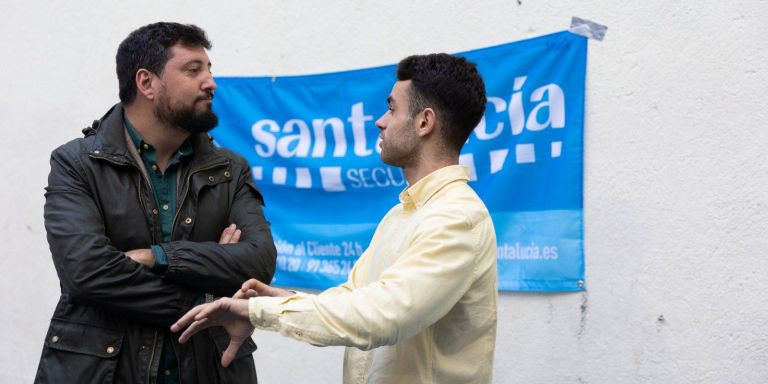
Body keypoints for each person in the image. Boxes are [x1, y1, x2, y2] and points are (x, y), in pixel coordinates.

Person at [173, 53, 498, 384]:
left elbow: (381, 316)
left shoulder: (458, 218)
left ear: (425, 122)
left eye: (391, 108)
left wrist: (260, 312)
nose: (380, 121)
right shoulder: (403, 213)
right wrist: (277, 301)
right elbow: (355, 300)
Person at [35, 22, 276, 384]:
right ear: (146, 82)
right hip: (100, 370)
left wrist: (157, 258)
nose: (210, 83)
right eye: (193, 70)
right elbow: (86, 273)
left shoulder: (229, 170)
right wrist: (207, 301)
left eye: (209, 70)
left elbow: (259, 262)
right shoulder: (77, 163)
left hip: (210, 369)